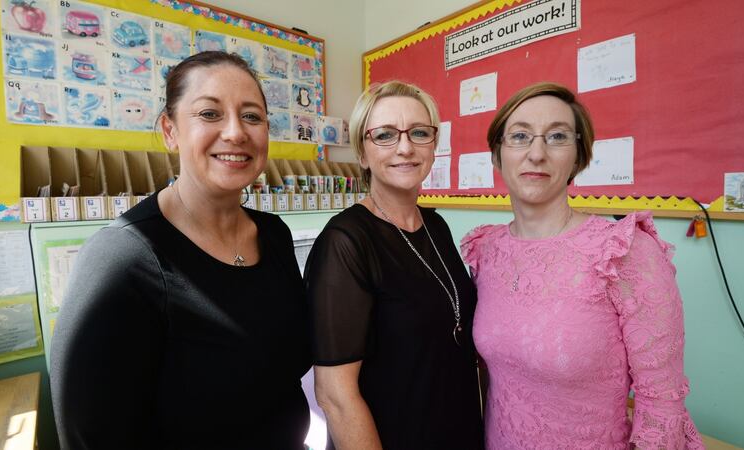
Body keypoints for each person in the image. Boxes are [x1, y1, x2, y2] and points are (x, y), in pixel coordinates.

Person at [50, 51, 311, 449]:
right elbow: (89, 435)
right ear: (170, 130)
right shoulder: (122, 259)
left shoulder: (273, 234)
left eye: (252, 116)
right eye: (209, 114)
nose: (236, 132)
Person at [460, 82, 704, 450]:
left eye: (557, 136)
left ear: (578, 157)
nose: (536, 153)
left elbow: (661, 404)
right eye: (520, 136)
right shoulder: (487, 249)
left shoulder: (624, 252)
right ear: (497, 156)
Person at [305, 81, 484, 450]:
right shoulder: (345, 241)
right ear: (363, 154)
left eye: (419, 133)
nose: (405, 147)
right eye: (385, 135)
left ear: (434, 146)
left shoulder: (435, 225)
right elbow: (335, 396)